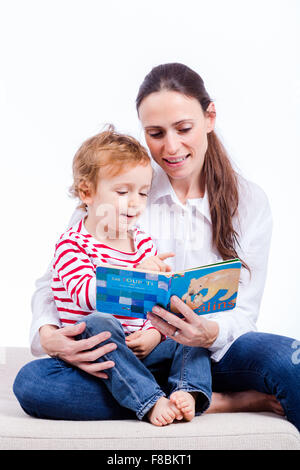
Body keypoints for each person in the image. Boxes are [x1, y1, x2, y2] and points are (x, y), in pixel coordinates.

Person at [13, 63, 300, 432]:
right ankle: (199, 399)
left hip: (202, 350)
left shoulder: (249, 202)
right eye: (155, 133)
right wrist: (49, 336)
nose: (171, 147)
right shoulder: (119, 186)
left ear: (209, 117)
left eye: (183, 129)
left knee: (291, 362)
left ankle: (178, 392)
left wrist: (203, 332)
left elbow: (243, 310)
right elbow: (57, 281)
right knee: (34, 384)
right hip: (124, 354)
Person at [14, 125, 213, 426]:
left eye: (143, 193)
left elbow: (153, 307)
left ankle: (187, 392)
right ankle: (149, 398)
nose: (135, 202)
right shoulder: (72, 244)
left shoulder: (144, 243)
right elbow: (87, 294)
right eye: (122, 192)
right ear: (87, 192)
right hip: (99, 356)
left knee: (187, 332)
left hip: (142, 351)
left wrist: (154, 331)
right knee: (96, 324)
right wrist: (138, 276)